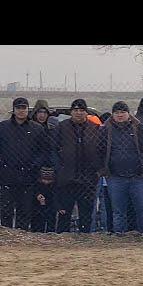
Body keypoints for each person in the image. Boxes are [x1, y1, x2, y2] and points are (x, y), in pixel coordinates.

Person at [97, 101, 143, 235]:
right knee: (118, 210)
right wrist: (103, 169)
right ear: (112, 114)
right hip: (115, 177)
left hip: (138, 176)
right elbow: (99, 151)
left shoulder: (138, 128)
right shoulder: (106, 129)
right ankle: (119, 236)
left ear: (128, 114)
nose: (120, 115)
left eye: (123, 112)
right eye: (116, 112)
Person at [0, 98, 49, 230]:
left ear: (28, 110)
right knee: (6, 211)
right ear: (14, 110)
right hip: (7, 177)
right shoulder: (3, 128)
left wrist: (34, 165)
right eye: (19, 108)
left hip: (28, 177)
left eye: (24, 108)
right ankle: (7, 239)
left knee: (24, 211)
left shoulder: (37, 129)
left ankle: (22, 240)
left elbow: (43, 152)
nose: (21, 111)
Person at [55, 98, 101, 233]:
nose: (79, 113)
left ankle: (85, 238)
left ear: (86, 112)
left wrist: (97, 170)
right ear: (71, 112)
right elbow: (54, 149)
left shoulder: (94, 129)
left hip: (87, 180)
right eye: (75, 110)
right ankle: (62, 238)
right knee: (64, 213)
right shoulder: (62, 127)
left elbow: (100, 150)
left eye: (82, 110)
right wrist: (59, 168)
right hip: (67, 179)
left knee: (86, 214)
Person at [30, 166, 57, 233]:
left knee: (50, 216)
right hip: (38, 191)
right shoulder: (36, 181)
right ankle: (37, 231)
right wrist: (37, 194)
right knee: (37, 216)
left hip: (51, 193)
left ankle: (50, 232)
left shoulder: (54, 184)